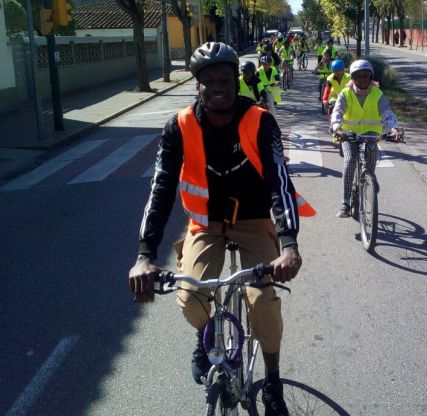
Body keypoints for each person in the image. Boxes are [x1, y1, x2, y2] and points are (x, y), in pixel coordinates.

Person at [128, 42, 315, 415]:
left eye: (225, 79)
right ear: (196, 84)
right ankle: (205, 337)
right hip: (206, 224)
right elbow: (161, 188)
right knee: (190, 298)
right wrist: (144, 255)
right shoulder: (178, 127)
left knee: (262, 303)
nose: (218, 86)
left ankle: (273, 380)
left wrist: (289, 244)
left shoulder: (259, 120)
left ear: (236, 81)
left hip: (254, 220)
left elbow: (279, 182)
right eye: (208, 80)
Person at [330, 59, 403, 218]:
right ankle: (346, 202)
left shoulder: (377, 94)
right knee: (350, 161)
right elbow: (337, 112)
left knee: (371, 156)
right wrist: (337, 127)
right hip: (348, 134)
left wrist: (394, 129)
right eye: (358, 76)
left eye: (366, 75)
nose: (362, 79)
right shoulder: (346, 93)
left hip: (371, 134)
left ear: (370, 77)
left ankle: (370, 177)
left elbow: (387, 113)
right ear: (353, 78)